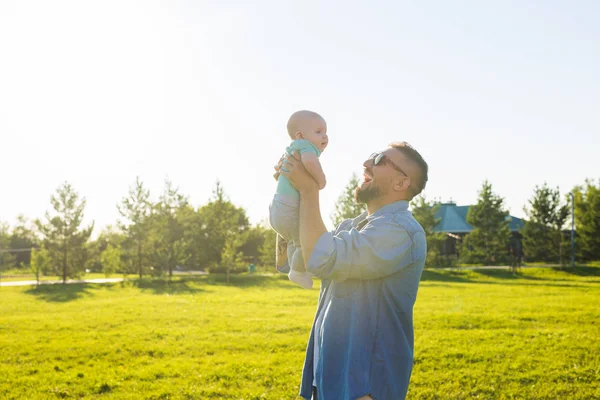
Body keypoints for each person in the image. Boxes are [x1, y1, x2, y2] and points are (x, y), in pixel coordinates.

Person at [278, 141, 429, 400]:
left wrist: (308, 188)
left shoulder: (401, 230)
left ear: (401, 183)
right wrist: (287, 194)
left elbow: (322, 257)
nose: (366, 163)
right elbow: (294, 259)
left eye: (380, 159)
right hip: (329, 377)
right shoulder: (353, 226)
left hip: (363, 386)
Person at [269, 110, 328, 289]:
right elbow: (311, 163)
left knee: (296, 241)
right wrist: (321, 180)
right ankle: (297, 271)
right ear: (301, 135)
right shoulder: (305, 146)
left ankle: (295, 268)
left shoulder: (292, 149)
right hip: (288, 209)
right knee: (305, 240)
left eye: (325, 132)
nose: (324, 136)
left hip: (278, 207)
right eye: (318, 132)